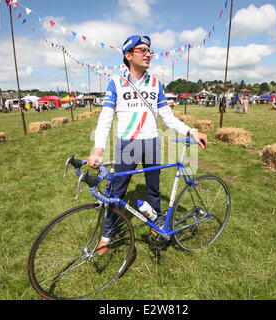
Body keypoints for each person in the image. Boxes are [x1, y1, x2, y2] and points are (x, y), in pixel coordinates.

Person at [86, 35, 208, 254]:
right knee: (116, 192)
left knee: (153, 189)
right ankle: (106, 235)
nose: (148, 54)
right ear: (128, 55)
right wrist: (98, 148)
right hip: (127, 144)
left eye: (149, 50)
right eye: (142, 50)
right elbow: (105, 117)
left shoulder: (155, 82)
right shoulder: (116, 82)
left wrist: (191, 131)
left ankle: (157, 227)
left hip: (152, 142)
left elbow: (168, 117)